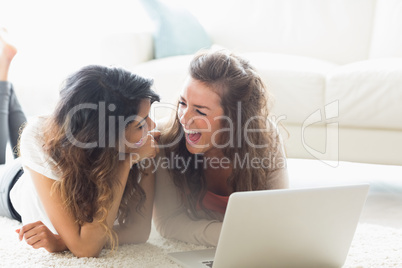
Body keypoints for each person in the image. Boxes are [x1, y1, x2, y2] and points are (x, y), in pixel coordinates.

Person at [0, 28, 160, 257]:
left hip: (46, 157)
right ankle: (3, 74)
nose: (152, 127)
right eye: (141, 124)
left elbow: (138, 232)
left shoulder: (140, 144)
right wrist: (126, 161)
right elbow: (86, 248)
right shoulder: (39, 137)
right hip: (15, 185)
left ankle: (4, 76)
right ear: (105, 136)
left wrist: (63, 242)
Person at [152, 49, 289, 247]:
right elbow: (169, 222)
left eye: (199, 111)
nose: (184, 117)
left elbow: (279, 215)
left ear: (234, 119)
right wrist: (233, 237)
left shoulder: (265, 136)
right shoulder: (166, 139)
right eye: (182, 103)